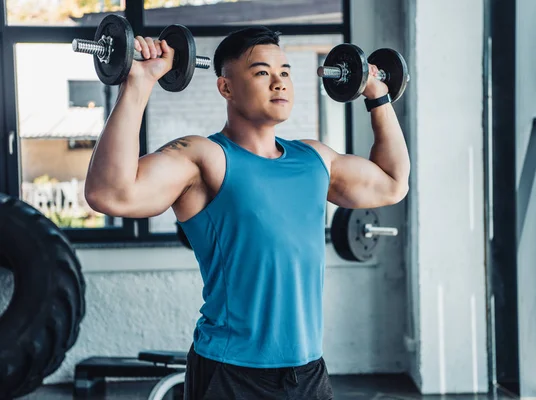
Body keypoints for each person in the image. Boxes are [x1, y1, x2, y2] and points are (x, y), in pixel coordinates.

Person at [84, 26, 410, 400]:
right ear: (226, 87)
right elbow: (108, 193)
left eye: (285, 72)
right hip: (231, 374)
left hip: (308, 373)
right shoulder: (205, 157)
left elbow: (392, 183)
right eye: (261, 72)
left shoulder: (315, 158)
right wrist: (138, 84)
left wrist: (378, 97)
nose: (279, 83)